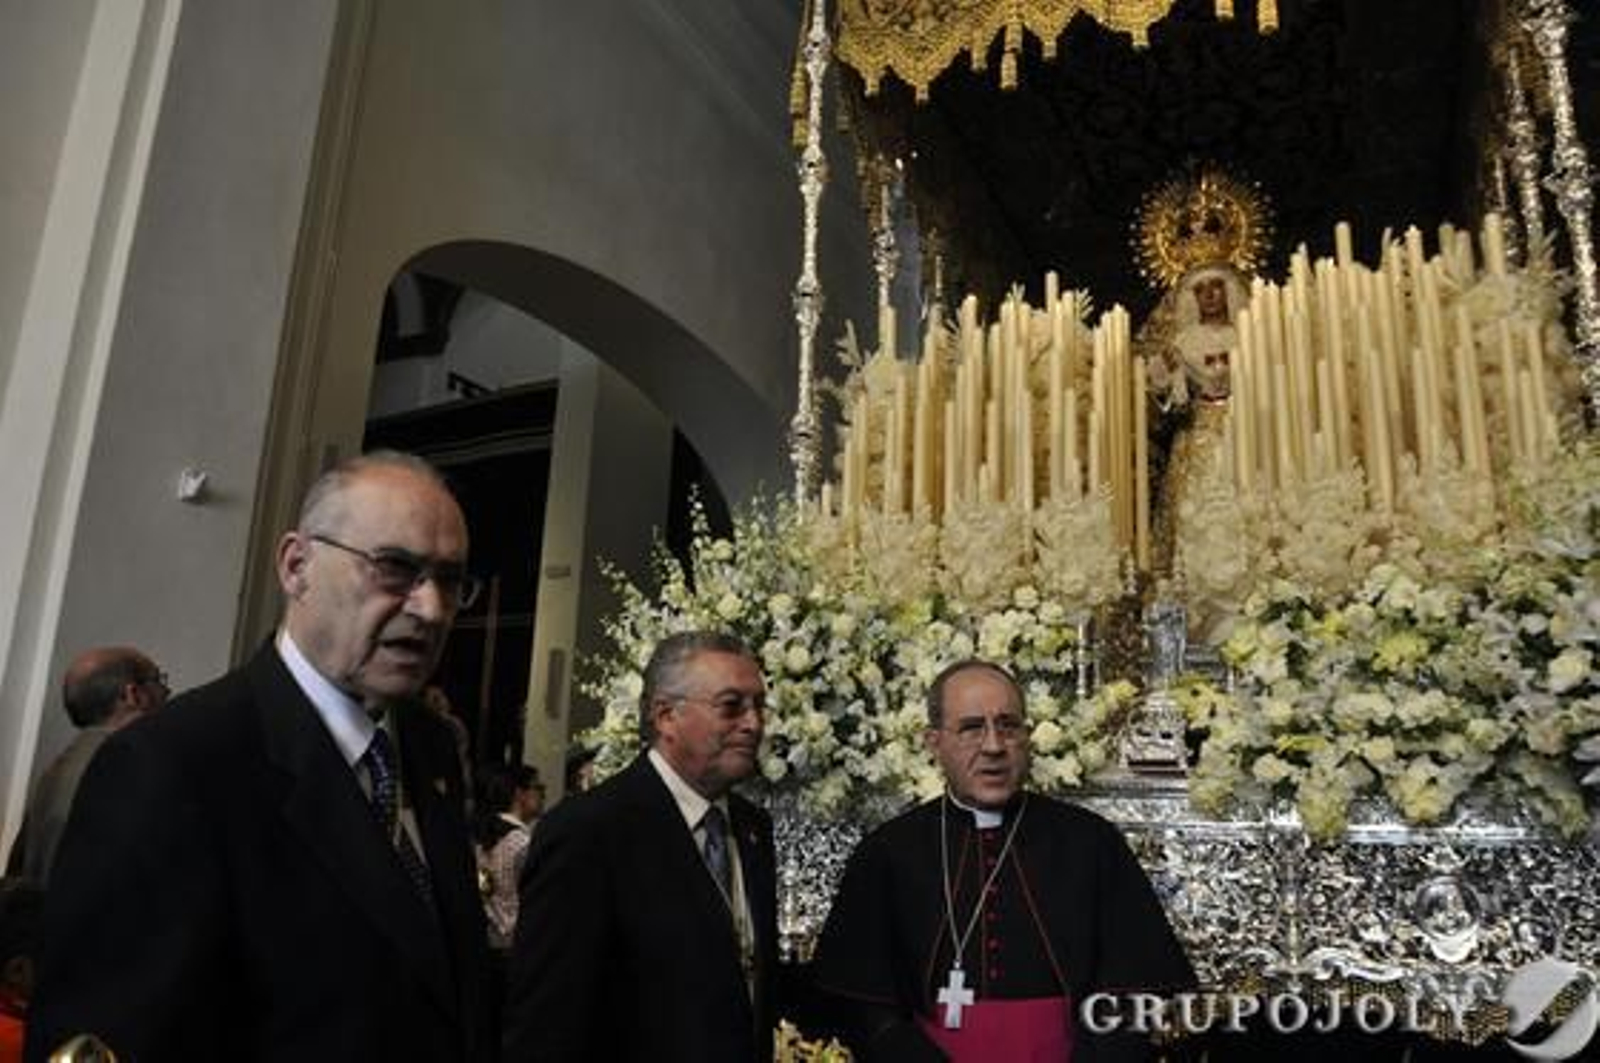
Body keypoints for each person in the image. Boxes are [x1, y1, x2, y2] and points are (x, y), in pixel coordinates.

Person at [26, 451, 493, 1063]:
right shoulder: (172, 766)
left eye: (451, 581)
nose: (431, 609)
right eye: (394, 568)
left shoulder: (430, 747)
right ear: (296, 566)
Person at [812, 660, 1193, 1062]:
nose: (993, 746)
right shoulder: (889, 851)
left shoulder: (1090, 842)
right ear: (934, 742)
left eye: (1008, 726)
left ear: (1026, 738)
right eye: (972, 727)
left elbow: (1134, 986)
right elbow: (865, 1004)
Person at [503, 630, 778, 1062]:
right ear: (666, 715)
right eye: (731, 707)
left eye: (759, 706)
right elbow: (546, 1023)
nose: (754, 724)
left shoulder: (752, 828)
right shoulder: (590, 831)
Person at [6, 648, 168, 887]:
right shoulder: (126, 768)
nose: (167, 692)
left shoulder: (54, 773)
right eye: (158, 681)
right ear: (132, 695)